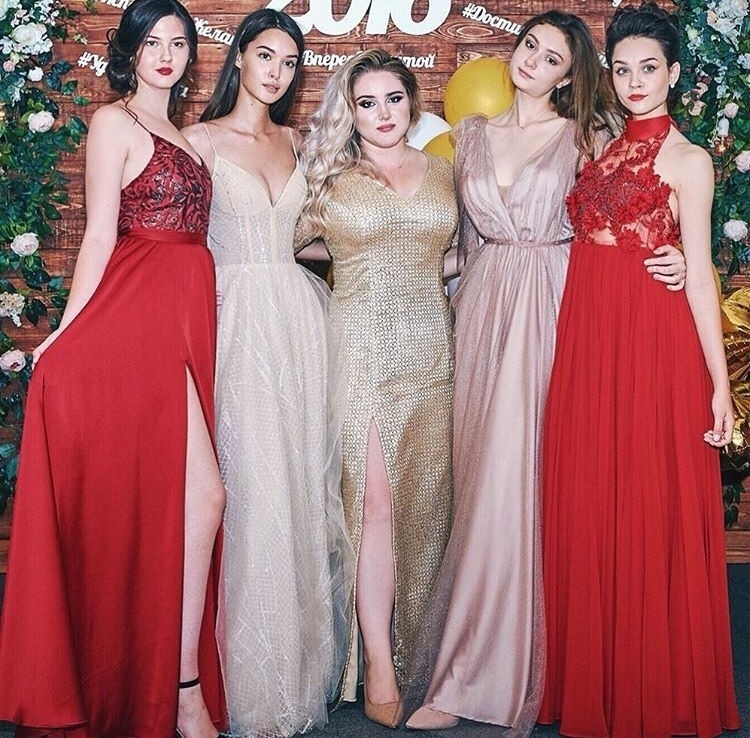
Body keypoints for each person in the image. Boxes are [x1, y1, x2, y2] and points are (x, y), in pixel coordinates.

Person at [404, 11, 688, 736]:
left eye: (553, 57)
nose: (534, 60)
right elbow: (459, 245)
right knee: (482, 480)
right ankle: (499, 658)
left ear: (569, 76)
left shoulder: (586, 137)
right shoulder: (470, 136)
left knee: (531, 482)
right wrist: (392, 271)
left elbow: (634, 209)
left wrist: (681, 256)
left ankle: (480, 677)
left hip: (558, 308)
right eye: (529, 45)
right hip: (482, 310)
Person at [0, 1, 227, 737]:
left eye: (178, 43)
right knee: (197, 498)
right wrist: (65, 337)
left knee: (194, 501)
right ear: (129, 51)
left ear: (190, 56)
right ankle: (180, 690)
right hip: (133, 321)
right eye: (152, 42)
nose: (166, 54)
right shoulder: (113, 123)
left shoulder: (185, 135)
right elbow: (100, 235)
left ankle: (176, 682)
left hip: (182, 319)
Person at [539, 4, 741, 737]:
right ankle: (598, 680)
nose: (633, 81)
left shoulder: (689, 159)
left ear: (674, 74)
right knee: (594, 496)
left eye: (648, 68)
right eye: (622, 68)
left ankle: (652, 689)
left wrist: (720, 387)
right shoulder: (601, 146)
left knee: (648, 499)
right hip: (589, 338)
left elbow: (700, 276)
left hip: (651, 344)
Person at [181, 9, 351, 737]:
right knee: (247, 491)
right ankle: (240, 684)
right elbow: (172, 244)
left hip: (299, 327)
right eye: (264, 55)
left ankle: (296, 671)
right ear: (239, 58)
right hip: (233, 323)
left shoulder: (297, 142)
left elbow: (316, 237)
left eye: (288, 61)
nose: (276, 72)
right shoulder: (198, 141)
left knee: (299, 489)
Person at [297, 49, 458, 729]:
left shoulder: (445, 172)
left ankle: (422, 657)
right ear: (351, 112)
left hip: (432, 354)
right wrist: (349, 256)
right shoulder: (329, 177)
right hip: (360, 351)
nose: (383, 114)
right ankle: (378, 670)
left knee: (427, 510)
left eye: (394, 99)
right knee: (374, 508)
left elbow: (461, 252)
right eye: (367, 103)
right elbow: (289, 243)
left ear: (412, 104)